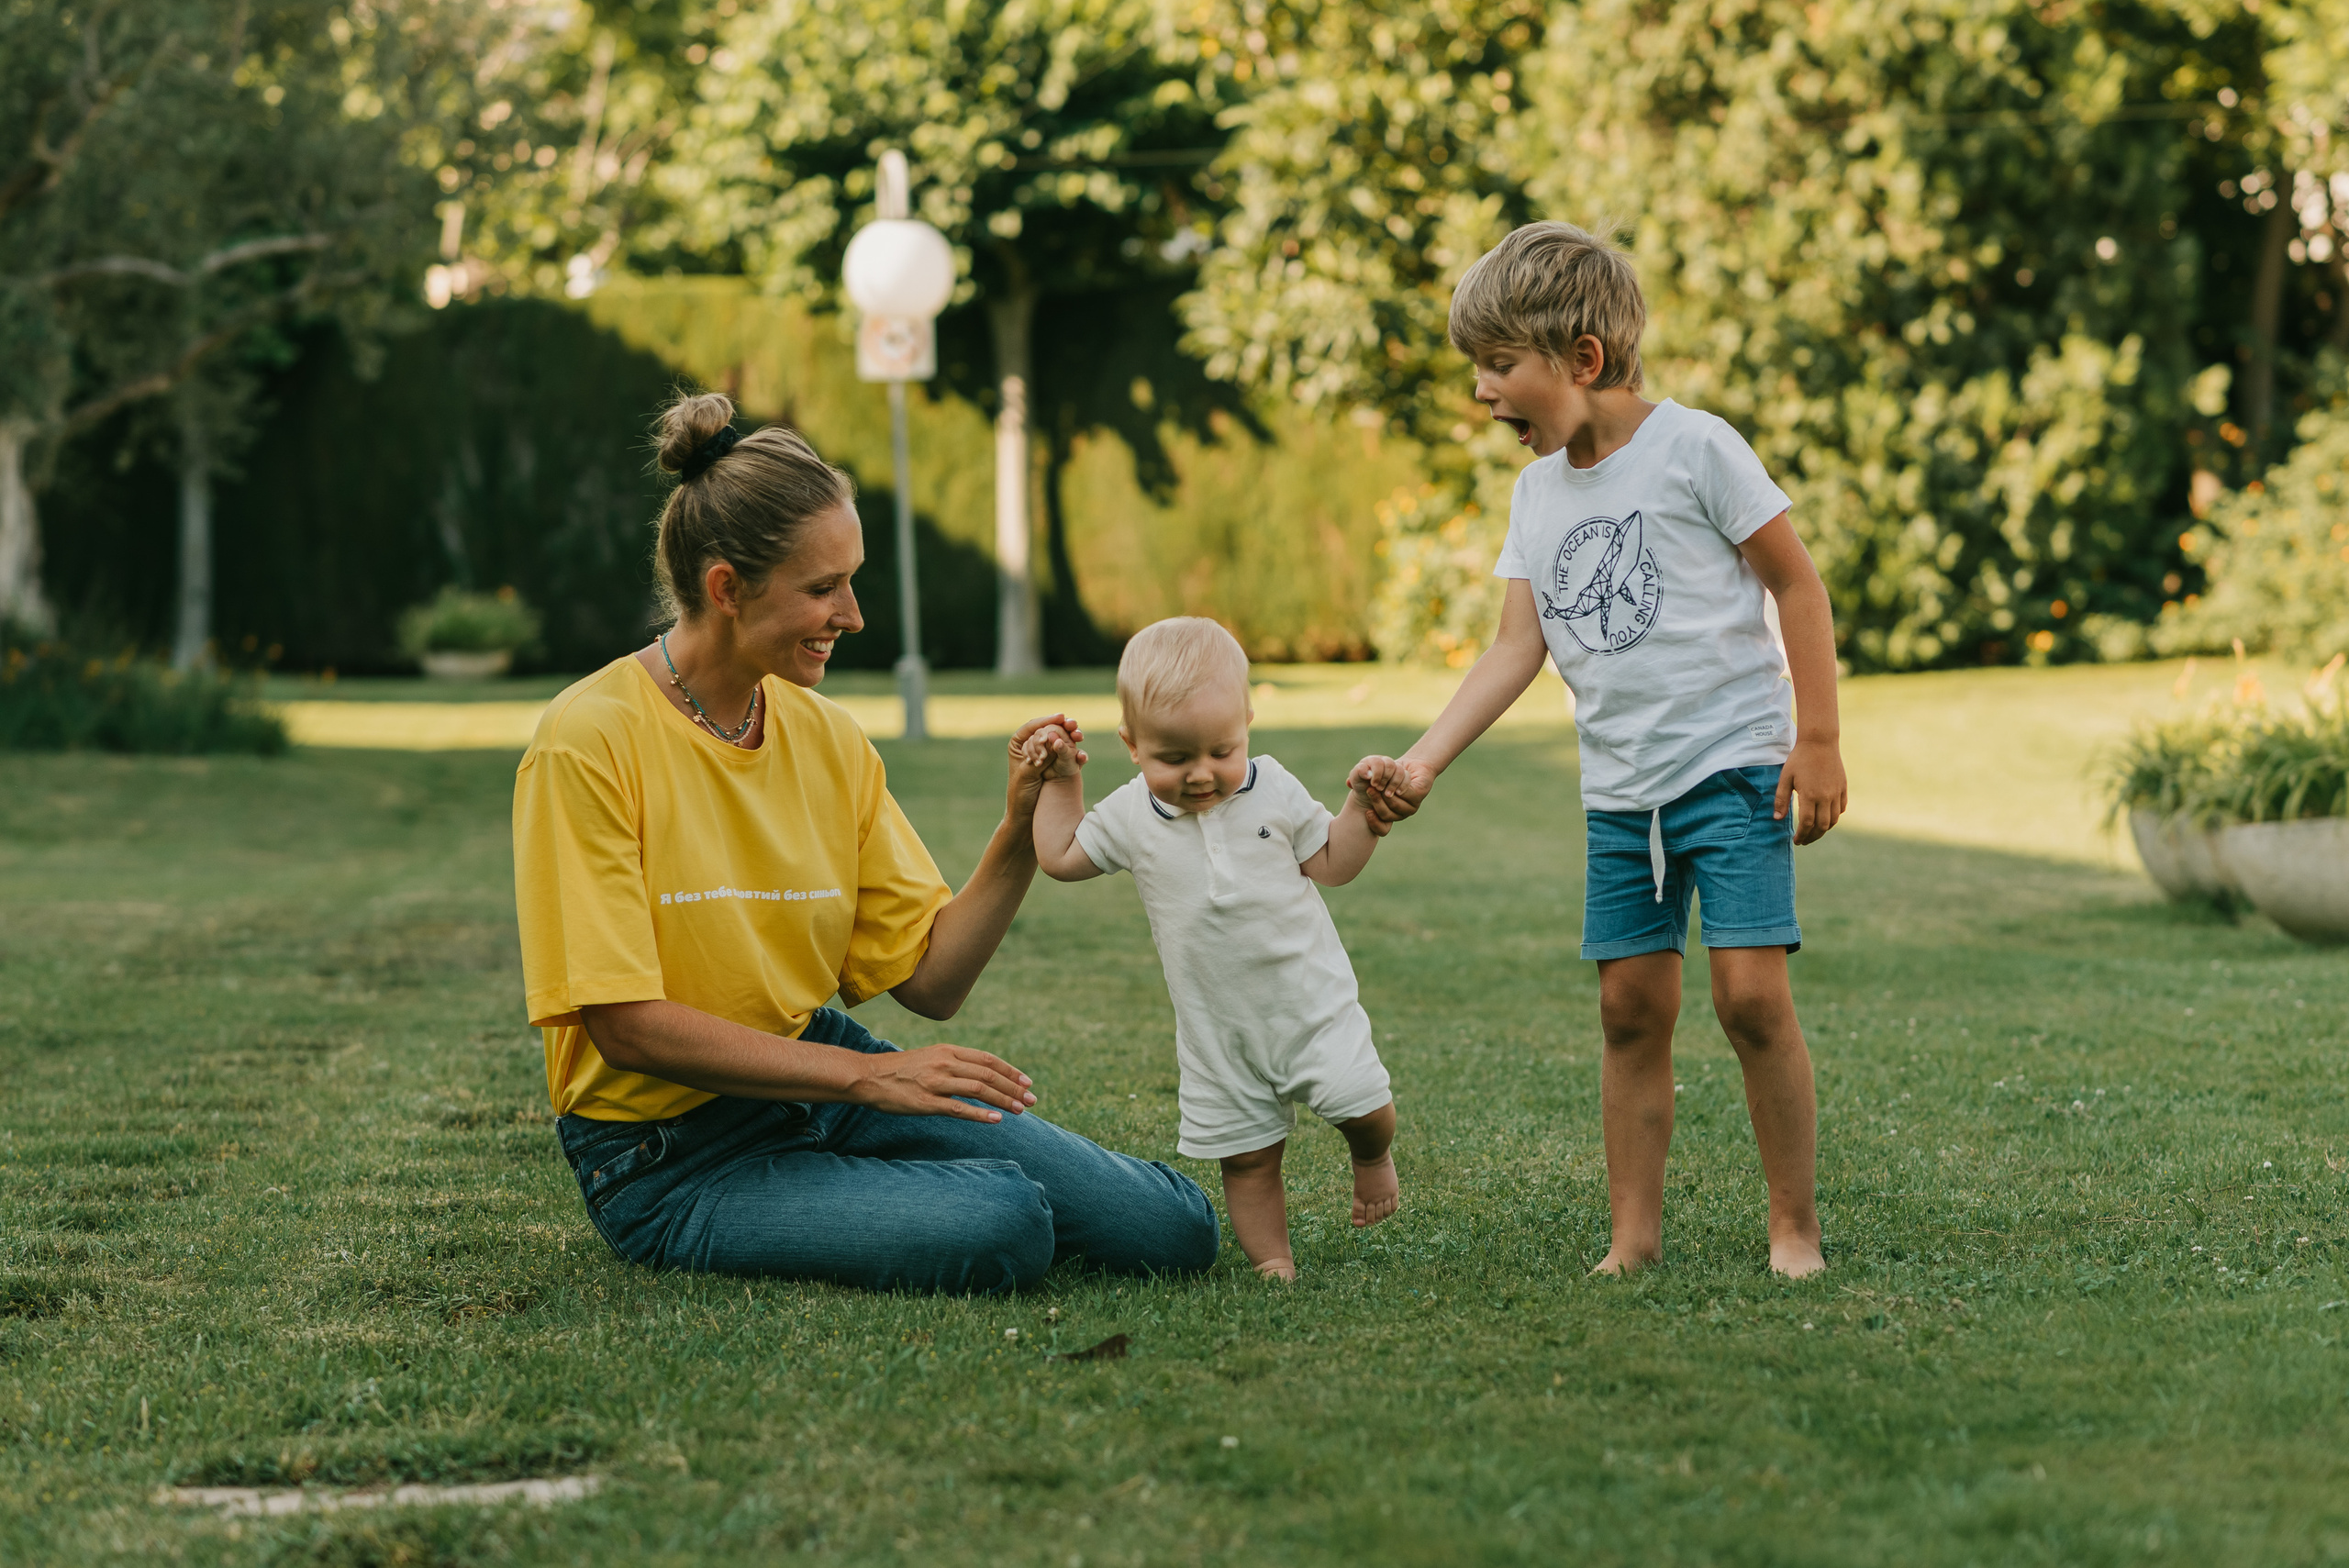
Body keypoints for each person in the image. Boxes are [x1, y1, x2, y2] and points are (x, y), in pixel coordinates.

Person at [510, 391, 1219, 1296]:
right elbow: (625, 1025)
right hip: (668, 1155)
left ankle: (900, 1186)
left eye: (852, 579)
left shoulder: (826, 736)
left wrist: (1018, 827)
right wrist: (861, 1079)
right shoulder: (588, 740)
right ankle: (921, 1195)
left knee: (1169, 1227)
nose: (852, 613)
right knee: (1005, 1225)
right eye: (821, 587)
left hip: (814, 1075)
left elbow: (933, 980)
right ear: (726, 588)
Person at [1350, 222, 1845, 1278]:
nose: (1481, 392)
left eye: (1497, 365)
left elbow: (1796, 583)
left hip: (1735, 766)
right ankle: (1632, 1239)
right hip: (1623, 794)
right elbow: (1514, 647)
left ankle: (1793, 1229)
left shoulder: (1697, 447)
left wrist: (1817, 738)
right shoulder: (1536, 496)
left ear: (1579, 359)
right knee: (1630, 1009)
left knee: (1749, 996)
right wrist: (1423, 760)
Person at [1022, 617, 1399, 1282]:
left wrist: (1360, 808)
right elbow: (1058, 854)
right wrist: (1061, 779)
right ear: (1133, 746)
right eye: (1174, 758)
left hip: (1309, 1007)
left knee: (1362, 1105)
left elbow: (1334, 862)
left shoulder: (1273, 786)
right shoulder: (1131, 815)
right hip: (1216, 1031)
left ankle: (1372, 1157)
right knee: (1247, 1156)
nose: (1201, 774)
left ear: (1248, 722)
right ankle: (1272, 1261)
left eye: (1222, 751)